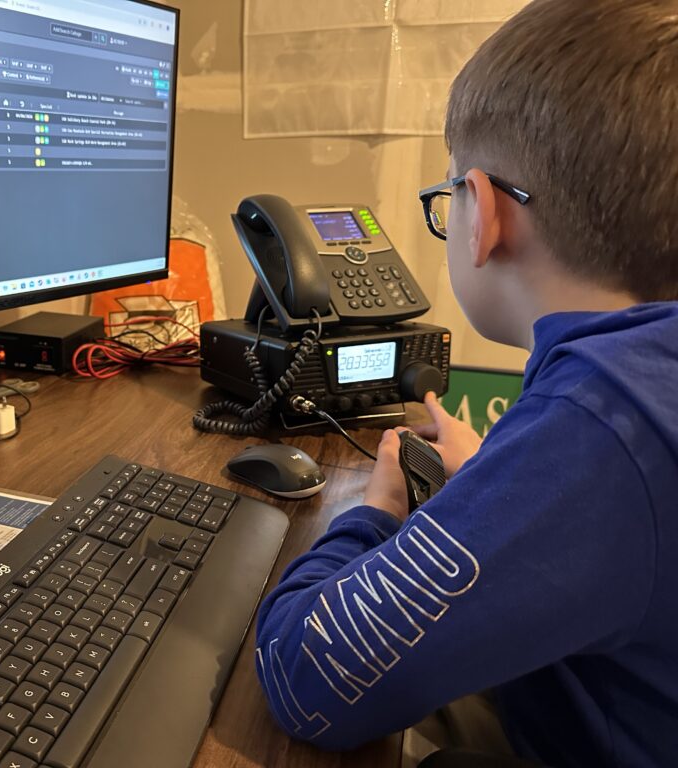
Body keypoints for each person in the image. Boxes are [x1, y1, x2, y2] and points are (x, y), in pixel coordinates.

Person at [254, 1, 678, 766]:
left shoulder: (602, 420)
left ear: (481, 213)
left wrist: (377, 509)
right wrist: (493, 472)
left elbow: (305, 673)